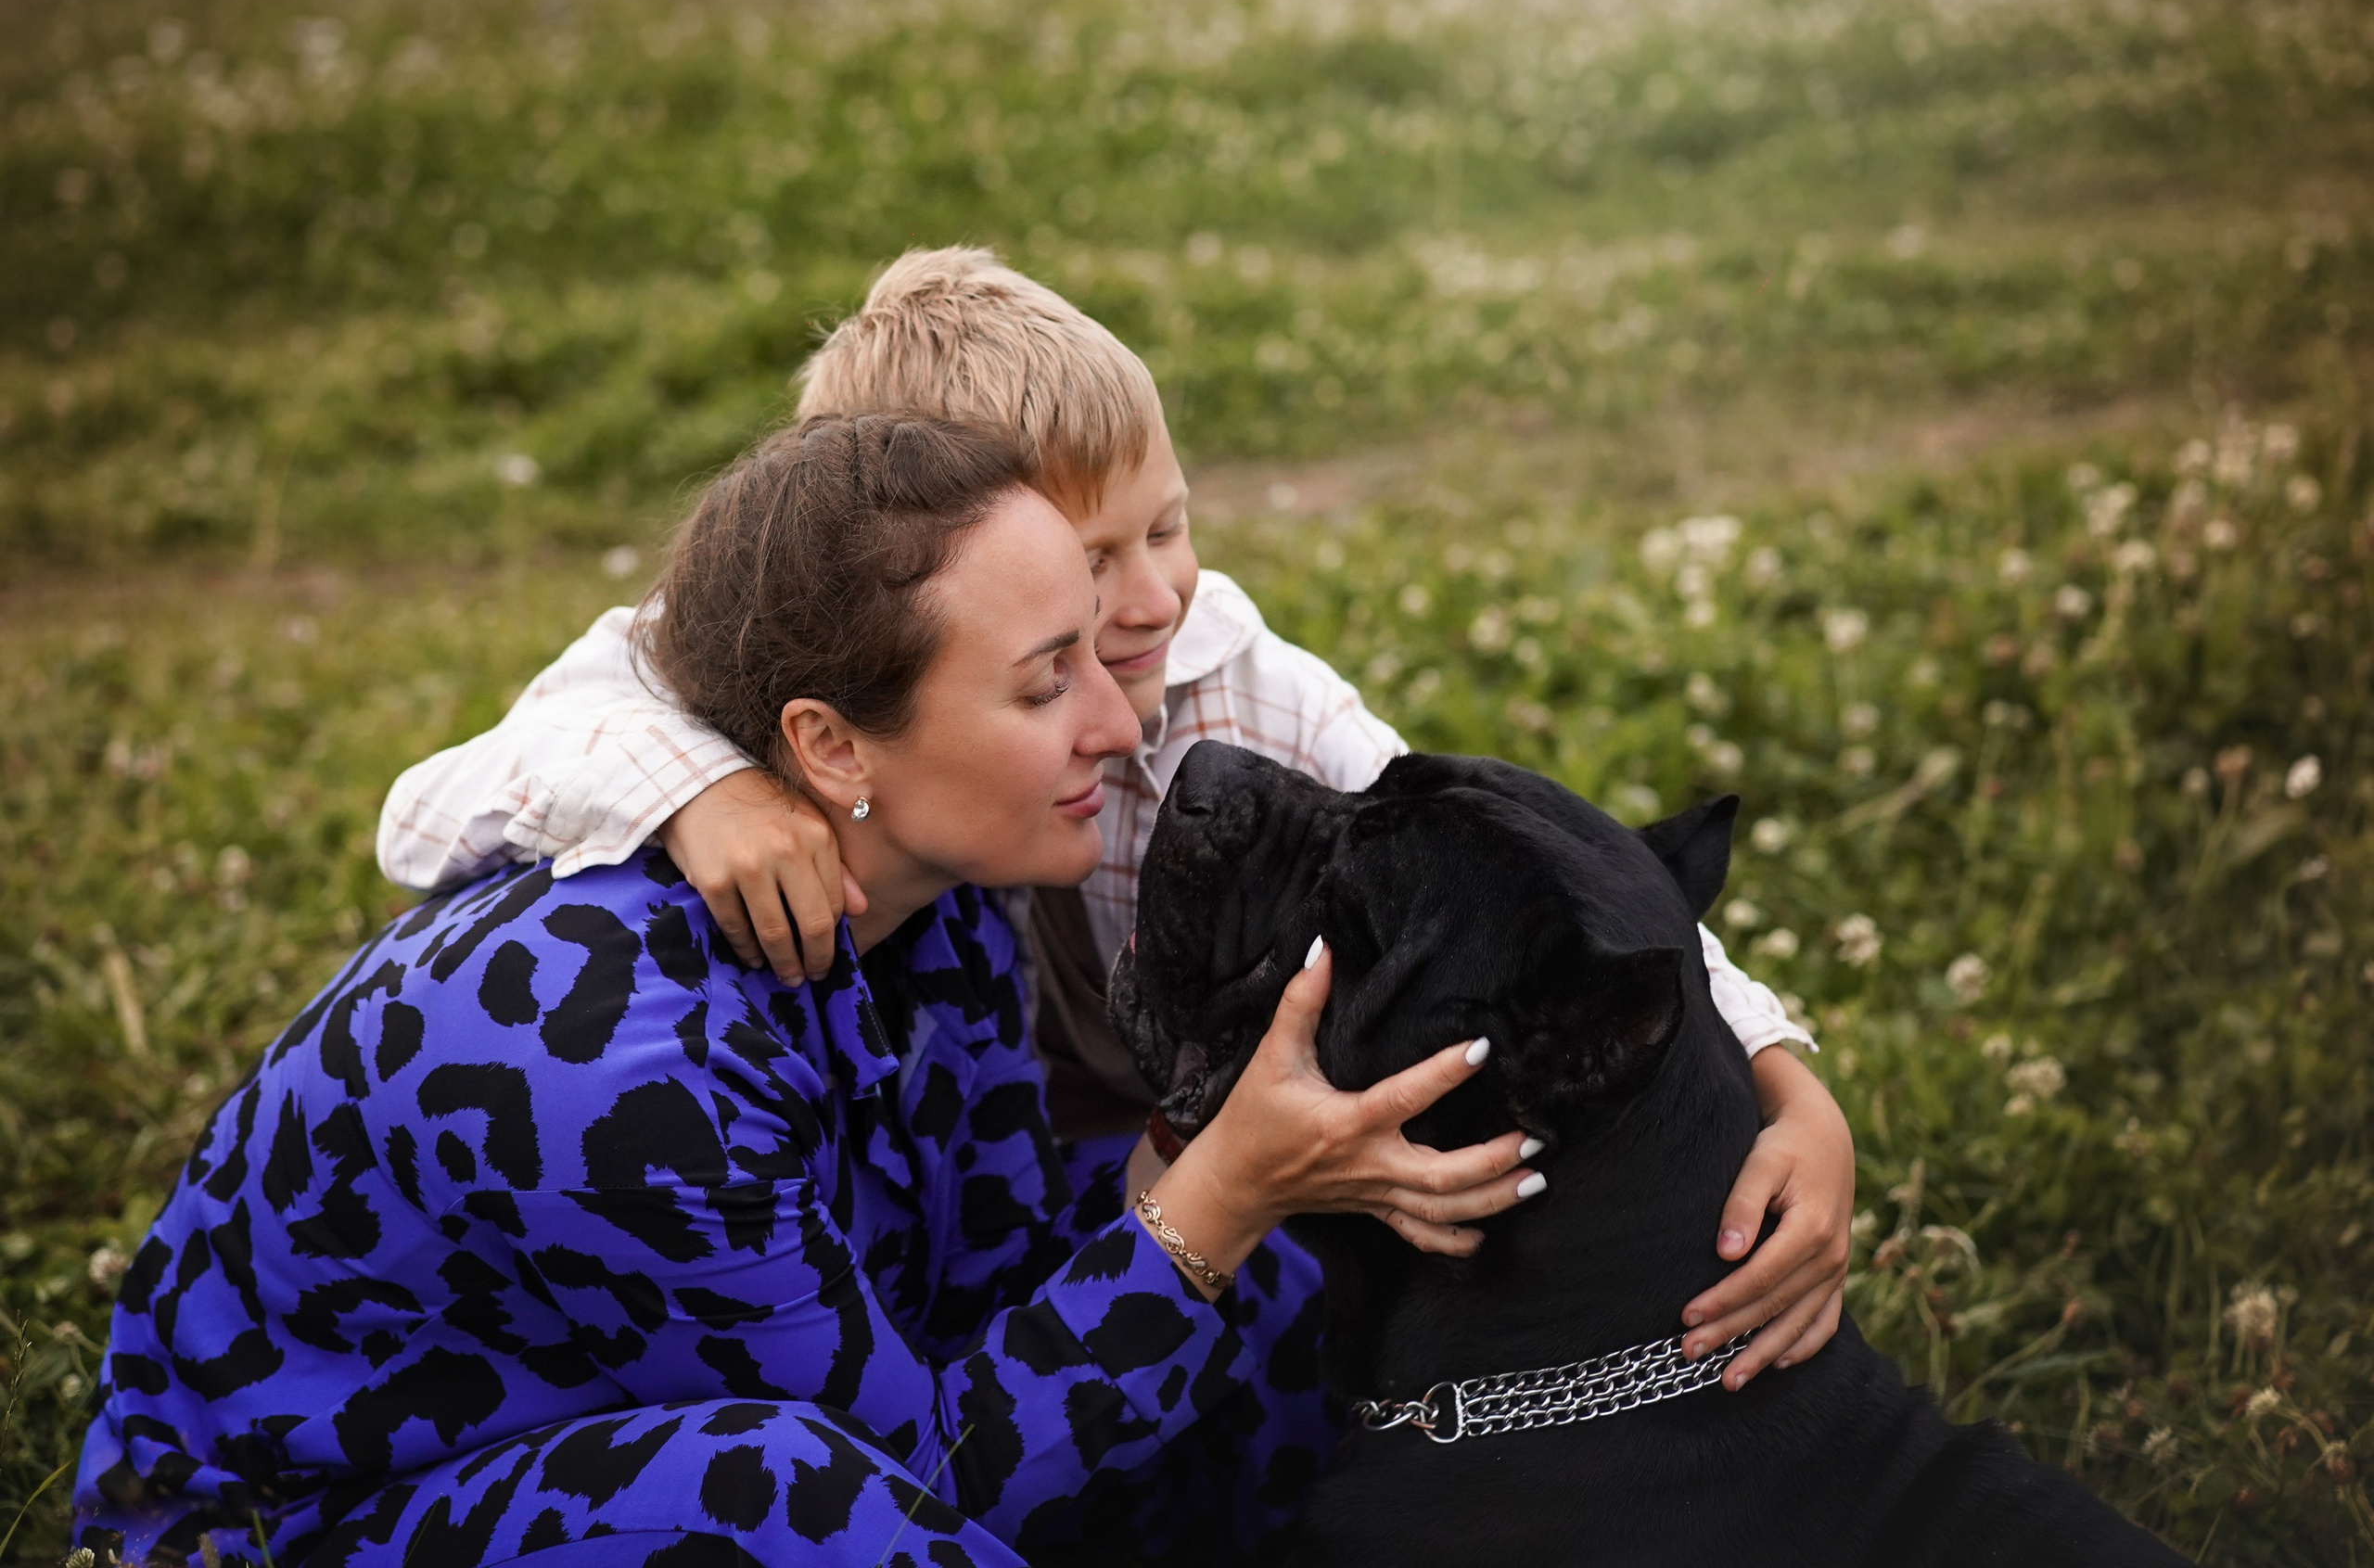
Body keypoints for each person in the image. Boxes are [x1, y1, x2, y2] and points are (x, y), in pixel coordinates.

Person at [380, 248, 1856, 1395]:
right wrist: (695, 783)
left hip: (1140, 1137)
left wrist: (1780, 1072)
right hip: (890, 1161)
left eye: (1170, 523)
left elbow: (1507, 883)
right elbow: (428, 809)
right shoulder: (762, 653)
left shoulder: (1226, 677)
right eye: (1090, 563)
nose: (1153, 597)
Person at [74, 415, 1542, 1568]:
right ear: (832, 747)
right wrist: (1218, 1189)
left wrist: (1217, 1154)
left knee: (1259, 1270)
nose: (1121, 721)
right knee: (791, 1493)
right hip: (321, 1521)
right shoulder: (611, 1055)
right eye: (1044, 687)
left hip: (692, 1430)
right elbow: (916, 1488)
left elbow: (998, 1278)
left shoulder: (937, 904)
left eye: (1102, 656)